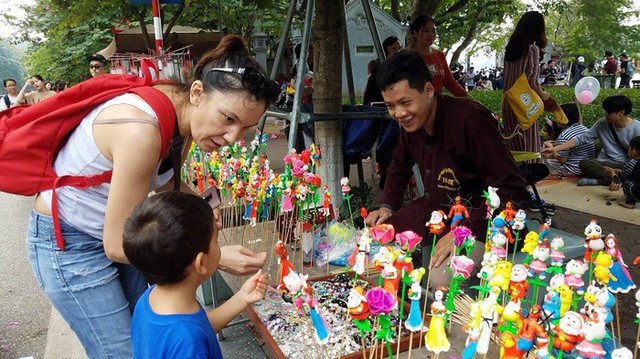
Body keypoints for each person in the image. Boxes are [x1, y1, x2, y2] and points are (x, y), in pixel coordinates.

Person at [26, 35, 278, 358]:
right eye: (229, 119)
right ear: (198, 92)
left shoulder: (183, 115)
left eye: (246, 128)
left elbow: (163, 182)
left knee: (145, 334)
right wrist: (215, 256)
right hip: (71, 242)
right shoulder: (141, 131)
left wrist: (201, 210)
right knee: (122, 352)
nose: (233, 137)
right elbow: (117, 245)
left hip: (119, 229)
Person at [364, 50, 527, 289]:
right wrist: (387, 206)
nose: (399, 113)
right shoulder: (412, 123)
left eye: (405, 102)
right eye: (391, 105)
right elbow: (399, 165)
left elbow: (512, 189)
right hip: (435, 210)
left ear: (429, 90)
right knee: (371, 245)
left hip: (483, 220)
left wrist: (465, 232)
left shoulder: (470, 119)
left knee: (439, 281)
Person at [124, 191, 268, 358]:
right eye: (215, 240)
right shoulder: (189, 343)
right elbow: (192, 336)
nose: (219, 246)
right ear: (201, 263)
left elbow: (200, 327)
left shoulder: (150, 300)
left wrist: (242, 297)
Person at [501, 11, 563, 155]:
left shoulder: (510, 50)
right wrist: (546, 96)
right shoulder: (532, 49)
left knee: (513, 144)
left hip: (508, 102)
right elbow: (533, 82)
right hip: (525, 103)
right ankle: (529, 175)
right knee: (529, 146)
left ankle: (515, 174)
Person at [542, 95, 640, 186]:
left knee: (634, 171)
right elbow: (582, 138)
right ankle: (619, 178)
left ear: (621, 113)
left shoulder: (637, 128)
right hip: (604, 164)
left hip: (626, 165)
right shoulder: (602, 123)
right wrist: (556, 149)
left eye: (608, 112)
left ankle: (609, 179)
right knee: (584, 164)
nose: (605, 115)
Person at [409, 16, 468, 97]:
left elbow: (450, 83)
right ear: (415, 33)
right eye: (426, 31)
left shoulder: (440, 55)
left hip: (438, 106)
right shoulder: (408, 57)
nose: (431, 34)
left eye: (433, 31)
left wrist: (473, 101)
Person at [543, 103, 594, 177]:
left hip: (573, 170)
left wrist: (551, 148)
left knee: (542, 164)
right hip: (587, 169)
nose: (556, 118)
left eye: (558, 116)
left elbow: (562, 160)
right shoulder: (585, 129)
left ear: (564, 117)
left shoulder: (564, 135)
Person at [605, 136, 640, 209]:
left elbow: (617, 180)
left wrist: (612, 172)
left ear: (633, 152)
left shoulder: (632, 163)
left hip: (637, 192)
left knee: (626, 180)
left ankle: (630, 202)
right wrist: (621, 171)